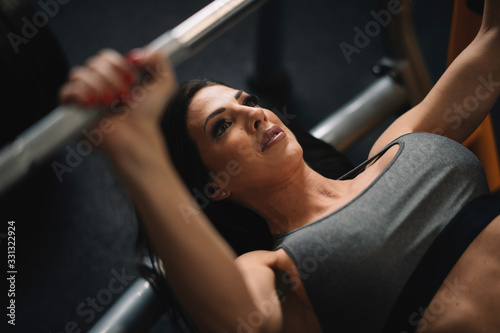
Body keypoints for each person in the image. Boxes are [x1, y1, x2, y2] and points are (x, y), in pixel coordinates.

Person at [59, 1, 500, 332]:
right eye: (222, 126)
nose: (255, 114)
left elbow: (492, 44)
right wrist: (137, 153)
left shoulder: (393, 147)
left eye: (247, 101)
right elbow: (235, 318)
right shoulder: (275, 267)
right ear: (213, 186)